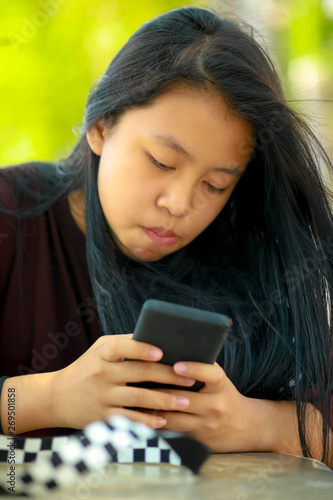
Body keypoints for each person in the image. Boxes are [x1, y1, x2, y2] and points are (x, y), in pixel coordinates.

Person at [0, 6, 332, 467]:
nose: (180, 204)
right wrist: (46, 398)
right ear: (101, 125)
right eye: (161, 161)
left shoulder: (249, 252)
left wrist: (259, 424)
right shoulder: (10, 213)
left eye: (215, 185)